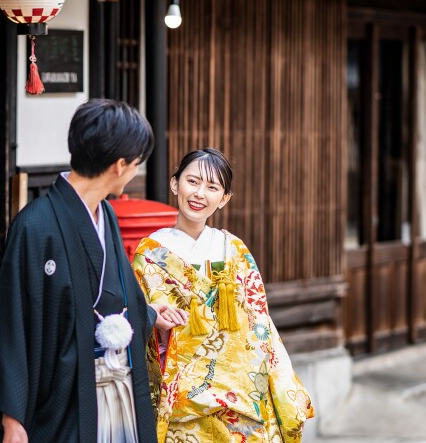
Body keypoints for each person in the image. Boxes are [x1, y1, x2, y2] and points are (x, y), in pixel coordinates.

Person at [0, 99, 187, 443]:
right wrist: (13, 418)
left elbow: (113, 300)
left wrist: (147, 313)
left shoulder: (107, 215)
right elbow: (13, 323)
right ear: (119, 165)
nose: (136, 170)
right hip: (63, 397)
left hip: (115, 391)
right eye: (136, 163)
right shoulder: (35, 225)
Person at [131, 148, 315, 443]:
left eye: (212, 187)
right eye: (192, 182)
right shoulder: (150, 253)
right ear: (175, 184)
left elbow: (260, 325)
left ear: (224, 199)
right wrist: (154, 320)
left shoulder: (235, 250)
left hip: (240, 393)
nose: (199, 193)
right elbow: (141, 319)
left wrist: (279, 385)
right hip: (181, 397)